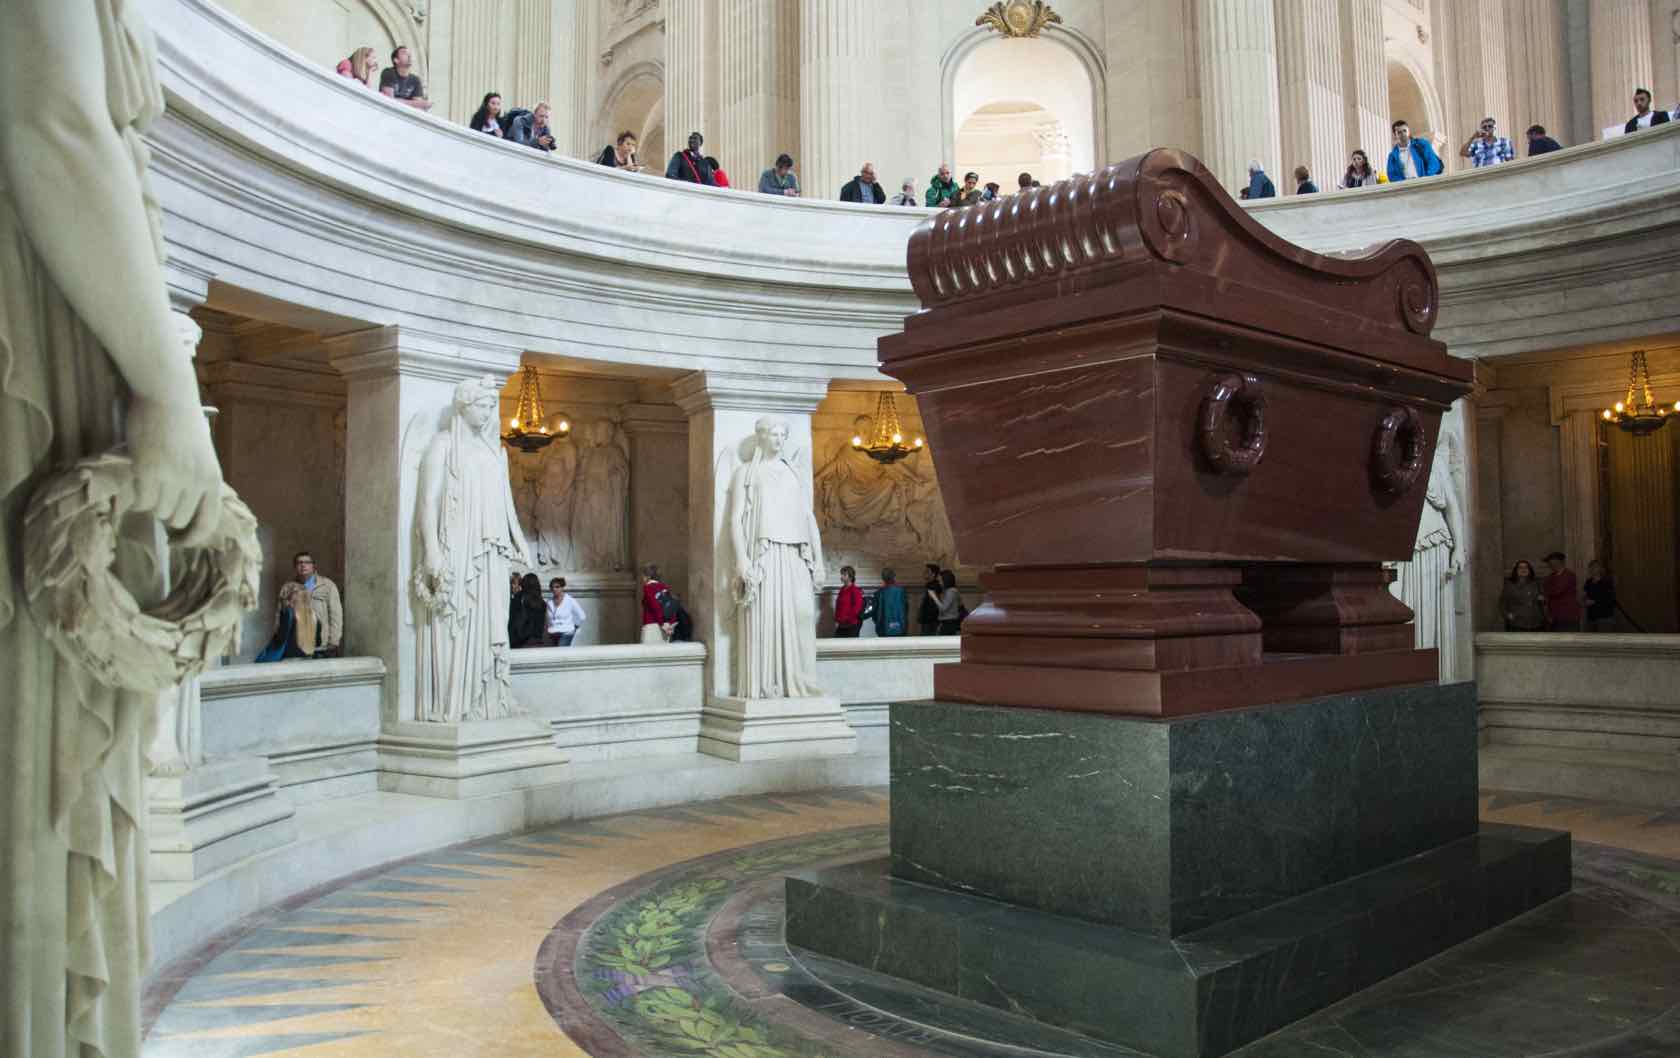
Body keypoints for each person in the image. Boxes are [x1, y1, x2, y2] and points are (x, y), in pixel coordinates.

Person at [2, 4, 229, 1051]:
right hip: (48, 339)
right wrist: (167, 390)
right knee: (38, 779)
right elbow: (53, 121)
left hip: (74, 325)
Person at [413, 376, 532, 721]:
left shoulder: (495, 452)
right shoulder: (443, 445)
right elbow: (428, 503)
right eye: (482, 405)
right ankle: (459, 701)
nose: (488, 412)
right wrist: (432, 551)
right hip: (461, 547)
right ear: (463, 407)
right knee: (460, 620)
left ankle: (490, 696)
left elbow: (506, 502)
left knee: (495, 618)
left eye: (491, 406)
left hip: (492, 549)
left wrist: (519, 540)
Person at [727, 417, 825, 698]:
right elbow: (735, 519)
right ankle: (769, 683)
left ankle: (799, 680)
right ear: (761, 437)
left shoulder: (793, 472)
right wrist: (742, 559)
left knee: (803, 614)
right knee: (768, 617)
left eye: (783, 434)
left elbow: (808, 518)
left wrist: (818, 561)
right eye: (773, 434)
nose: (779, 440)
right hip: (765, 553)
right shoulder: (746, 473)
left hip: (796, 553)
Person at [276, 550, 343, 656]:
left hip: (322, 645)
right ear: (295, 567)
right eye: (299, 563)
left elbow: (336, 616)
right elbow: (279, 616)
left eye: (307, 562)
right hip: (295, 645)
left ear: (313, 566)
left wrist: (333, 642)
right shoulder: (287, 588)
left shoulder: (327, 586)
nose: (303, 565)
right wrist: (279, 642)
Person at [255, 582, 323, 662]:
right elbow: (318, 643)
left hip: (288, 662)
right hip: (307, 660)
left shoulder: (288, 613)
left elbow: (280, 640)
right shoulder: (314, 616)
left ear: (288, 598)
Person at [379, 45, 432, 110]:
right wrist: (415, 103)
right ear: (396, 60)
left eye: (409, 54)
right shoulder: (388, 73)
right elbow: (389, 100)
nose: (409, 56)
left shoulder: (415, 80)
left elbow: (418, 108)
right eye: (404, 53)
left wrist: (417, 104)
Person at [1499, 560, 1547, 631]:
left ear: (1529, 570)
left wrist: (1543, 599)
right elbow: (1502, 602)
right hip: (1517, 623)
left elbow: (1544, 600)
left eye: (1526, 567)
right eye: (1520, 568)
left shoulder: (1537, 583)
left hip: (1536, 622)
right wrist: (1507, 615)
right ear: (1516, 570)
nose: (1523, 570)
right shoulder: (1509, 584)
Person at [1542, 551, 1582, 632]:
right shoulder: (1550, 577)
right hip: (1554, 616)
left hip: (1568, 616)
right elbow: (1546, 590)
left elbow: (1557, 591)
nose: (1549, 565)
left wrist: (1546, 593)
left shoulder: (1569, 575)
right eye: (1548, 562)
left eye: (1550, 562)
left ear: (1559, 562)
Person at [509, 572, 547, 648]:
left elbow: (514, 620)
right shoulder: (542, 603)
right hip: (537, 640)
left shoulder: (519, 598)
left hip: (520, 641)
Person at [545, 577, 586, 646]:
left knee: (561, 651)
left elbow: (582, 616)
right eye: (552, 587)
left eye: (557, 587)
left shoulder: (569, 600)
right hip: (552, 632)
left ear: (562, 588)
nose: (554, 589)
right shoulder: (549, 602)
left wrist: (575, 627)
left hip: (566, 631)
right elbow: (548, 619)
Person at [640, 564, 674, 643]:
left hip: (652, 625)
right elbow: (670, 606)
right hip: (666, 627)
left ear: (647, 576)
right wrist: (669, 623)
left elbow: (654, 606)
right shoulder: (664, 587)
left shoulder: (648, 588)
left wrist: (663, 623)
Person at [872, 568, 908, 638]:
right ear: (894, 577)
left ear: (883, 578)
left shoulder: (879, 592)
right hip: (900, 627)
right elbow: (906, 609)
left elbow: (875, 611)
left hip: (883, 627)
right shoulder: (901, 591)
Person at [1583, 560, 1617, 632]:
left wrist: (1594, 601)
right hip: (1591, 617)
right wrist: (1584, 600)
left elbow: (1610, 599)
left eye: (1595, 567)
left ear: (1600, 569)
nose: (1592, 569)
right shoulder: (1588, 582)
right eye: (1590, 567)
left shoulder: (1607, 582)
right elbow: (1585, 594)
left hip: (1604, 617)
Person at [834, 565, 864, 637]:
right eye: (841, 574)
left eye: (844, 575)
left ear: (850, 577)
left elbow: (857, 608)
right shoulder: (842, 590)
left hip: (851, 626)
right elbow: (839, 606)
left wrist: (847, 619)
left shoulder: (855, 590)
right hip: (841, 625)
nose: (841, 576)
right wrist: (838, 618)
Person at [932, 569, 964, 635]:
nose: (939, 582)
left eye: (940, 580)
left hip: (949, 623)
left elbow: (943, 608)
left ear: (946, 580)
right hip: (947, 623)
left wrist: (934, 597)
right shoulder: (948, 591)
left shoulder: (951, 591)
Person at [919, 562, 943, 635]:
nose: (924, 573)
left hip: (930, 621)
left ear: (933, 574)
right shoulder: (929, 585)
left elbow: (934, 605)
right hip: (927, 620)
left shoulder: (934, 587)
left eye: (927, 571)